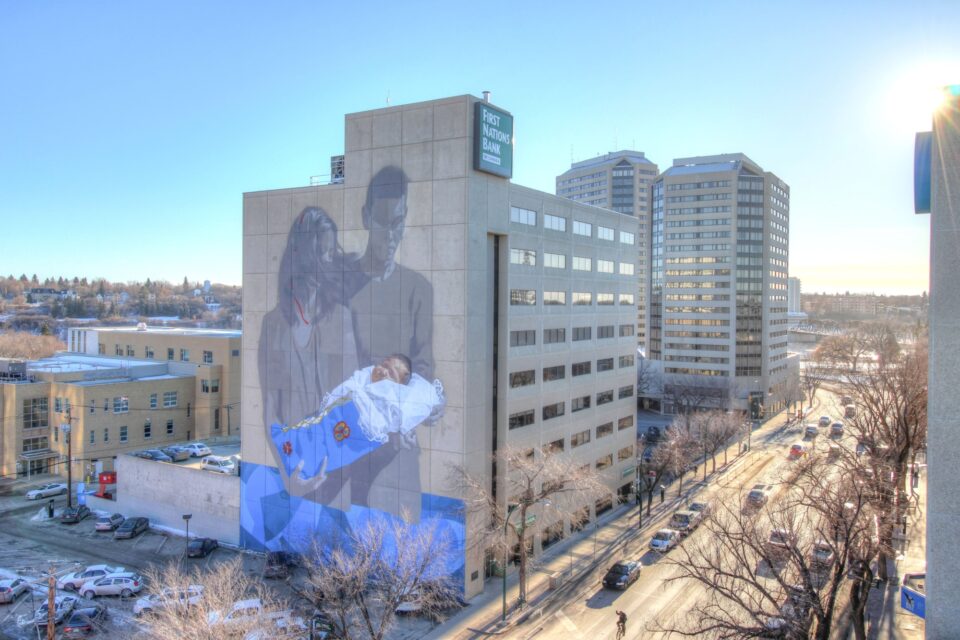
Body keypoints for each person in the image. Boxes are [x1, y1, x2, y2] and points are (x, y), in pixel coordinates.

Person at [270, 353, 444, 483]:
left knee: (325, 452)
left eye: (391, 374)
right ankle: (288, 444)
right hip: (338, 417)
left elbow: (417, 403)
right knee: (313, 435)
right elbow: (340, 395)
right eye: (384, 365)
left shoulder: (391, 409)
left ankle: (302, 463)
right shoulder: (361, 379)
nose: (383, 371)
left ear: (397, 388)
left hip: (355, 436)